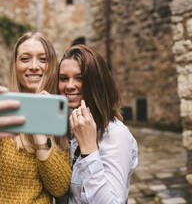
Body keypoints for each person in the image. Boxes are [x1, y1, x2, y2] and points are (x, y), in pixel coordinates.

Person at [0, 32, 71, 203]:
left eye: (43, 59)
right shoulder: (4, 108)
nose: (34, 66)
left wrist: (40, 135)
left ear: (52, 65)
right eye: (25, 59)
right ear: (15, 65)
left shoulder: (59, 116)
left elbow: (60, 187)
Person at [58, 44, 138, 203]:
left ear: (96, 83)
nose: (69, 86)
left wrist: (89, 150)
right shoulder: (70, 129)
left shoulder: (115, 134)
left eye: (79, 78)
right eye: (63, 78)